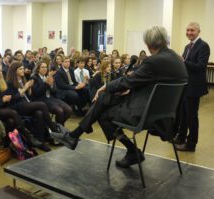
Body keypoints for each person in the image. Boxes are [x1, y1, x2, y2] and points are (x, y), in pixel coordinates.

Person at [51, 26, 188, 168]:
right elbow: (155, 83)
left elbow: (128, 81)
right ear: (165, 40)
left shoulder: (154, 61)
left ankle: (130, 149)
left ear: (148, 44)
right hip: (164, 114)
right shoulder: (177, 59)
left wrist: (105, 86)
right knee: (104, 100)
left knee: (103, 111)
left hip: (145, 114)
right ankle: (74, 136)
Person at [174, 22, 210, 152]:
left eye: (192, 30)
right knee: (183, 114)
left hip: (194, 87)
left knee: (191, 117)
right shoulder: (187, 46)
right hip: (184, 85)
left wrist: (184, 62)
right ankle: (181, 137)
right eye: (187, 30)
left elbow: (200, 67)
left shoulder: (203, 46)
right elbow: (185, 65)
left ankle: (191, 144)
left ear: (198, 31)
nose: (189, 32)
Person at [32, 60, 72, 125]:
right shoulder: (34, 78)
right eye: (42, 67)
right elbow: (37, 93)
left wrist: (51, 85)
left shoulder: (49, 76)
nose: (45, 69)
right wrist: (46, 83)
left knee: (69, 110)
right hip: (42, 99)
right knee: (60, 111)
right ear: (38, 69)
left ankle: (58, 126)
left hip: (51, 98)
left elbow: (54, 91)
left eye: (46, 67)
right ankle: (59, 128)